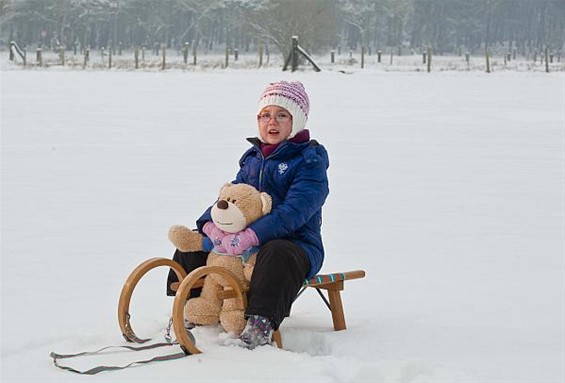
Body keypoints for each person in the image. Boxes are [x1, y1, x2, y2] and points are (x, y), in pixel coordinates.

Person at [167, 80, 330, 349]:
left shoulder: (310, 161)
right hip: (243, 243)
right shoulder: (253, 159)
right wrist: (209, 225)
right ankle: (188, 311)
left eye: (282, 115)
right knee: (193, 245)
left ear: (297, 121)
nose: (272, 122)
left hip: (296, 246)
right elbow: (230, 197)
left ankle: (259, 324)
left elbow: (295, 212)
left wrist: (252, 235)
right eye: (265, 115)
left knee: (277, 253)